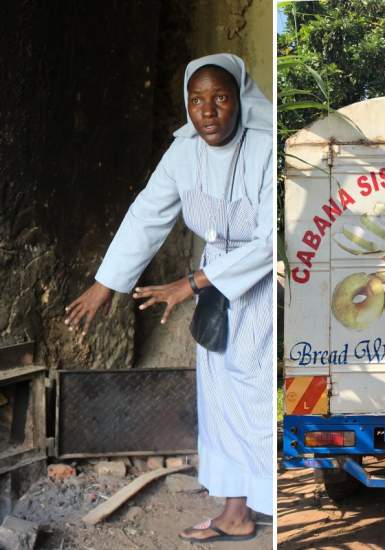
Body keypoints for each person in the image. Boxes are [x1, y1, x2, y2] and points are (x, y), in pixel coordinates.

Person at [64, 53, 273, 543]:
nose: (208, 111)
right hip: (215, 286)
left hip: (254, 286)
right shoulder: (183, 152)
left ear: (239, 99)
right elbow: (146, 215)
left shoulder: (264, 147)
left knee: (257, 398)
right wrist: (106, 283)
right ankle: (236, 512)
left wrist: (191, 284)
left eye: (220, 97)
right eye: (196, 100)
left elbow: (266, 242)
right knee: (220, 399)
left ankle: (275, 507)